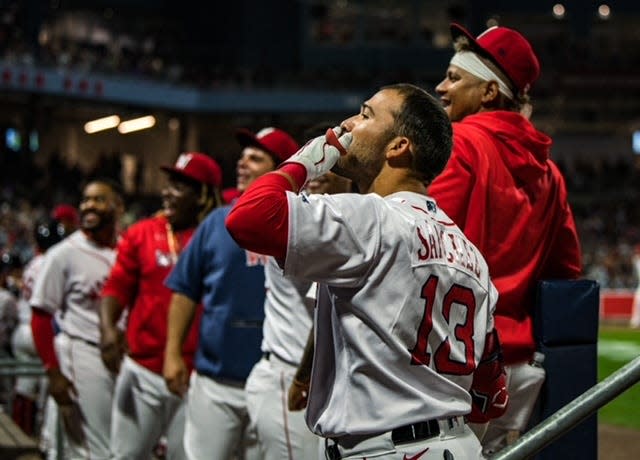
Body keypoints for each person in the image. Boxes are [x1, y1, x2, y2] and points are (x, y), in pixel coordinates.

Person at [226, 83, 507, 460]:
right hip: (454, 446)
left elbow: (249, 218)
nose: (347, 124)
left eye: (365, 114)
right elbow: (489, 389)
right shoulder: (471, 253)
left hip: (382, 449)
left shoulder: (371, 217)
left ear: (398, 147)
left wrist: (308, 159)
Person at [427, 23, 582, 453]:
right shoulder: (550, 173)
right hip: (515, 369)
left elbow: (421, 243)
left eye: (455, 78)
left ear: (489, 93)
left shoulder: (459, 143)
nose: (441, 88)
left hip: (450, 362)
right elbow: (565, 272)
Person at [163, 127, 300, 460]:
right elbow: (184, 290)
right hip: (215, 380)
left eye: (255, 158)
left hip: (278, 381)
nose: (242, 164)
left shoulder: (303, 222)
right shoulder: (217, 222)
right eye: (242, 157)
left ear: (282, 168)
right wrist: (172, 353)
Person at [99, 152, 222, 460]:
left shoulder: (221, 236)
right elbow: (117, 287)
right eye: (169, 184)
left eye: (180, 186)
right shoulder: (142, 232)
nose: (168, 192)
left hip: (198, 378)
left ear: (203, 195)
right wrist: (108, 328)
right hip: (144, 370)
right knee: (125, 455)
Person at [245, 122, 352, 460]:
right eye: (315, 161)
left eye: (332, 163)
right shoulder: (303, 217)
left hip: (307, 377)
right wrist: (304, 379)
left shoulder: (341, 215)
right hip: (291, 374)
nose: (320, 171)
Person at [30, 178, 125, 460]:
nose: (89, 205)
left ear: (118, 207)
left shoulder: (127, 248)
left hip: (123, 358)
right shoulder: (64, 254)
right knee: (92, 449)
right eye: (86, 199)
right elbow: (40, 316)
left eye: (99, 199)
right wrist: (53, 371)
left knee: (119, 446)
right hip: (83, 352)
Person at [11, 217, 69, 436]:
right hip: (43, 331)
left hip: (22, 328)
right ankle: (46, 438)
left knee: (23, 387)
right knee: (49, 387)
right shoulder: (53, 261)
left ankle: (19, 433)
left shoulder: (32, 263)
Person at [630, 244, 640, 328]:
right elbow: (635, 257)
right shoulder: (637, 260)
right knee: (637, 301)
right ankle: (635, 322)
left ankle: (635, 321)